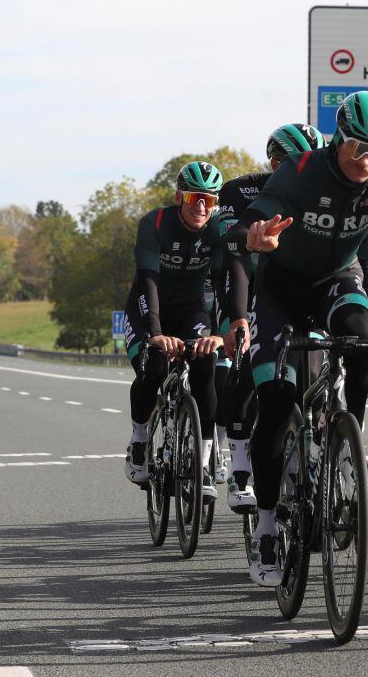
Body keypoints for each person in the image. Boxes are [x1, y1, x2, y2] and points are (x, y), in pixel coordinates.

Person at [222, 91, 368, 587]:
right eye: (359, 147)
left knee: (360, 344)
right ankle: (269, 526)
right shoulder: (298, 170)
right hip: (279, 290)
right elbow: (252, 220)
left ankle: (344, 444)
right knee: (276, 401)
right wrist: (256, 235)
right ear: (339, 138)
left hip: (339, 279)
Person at [215, 123, 325, 513]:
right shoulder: (239, 191)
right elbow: (235, 257)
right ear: (275, 162)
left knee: (316, 371)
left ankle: (324, 448)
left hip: (293, 286)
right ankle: (241, 457)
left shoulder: (322, 188)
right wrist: (237, 317)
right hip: (244, 280)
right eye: (294, 164)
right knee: (245, 358)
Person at [123, 161, 226, 502]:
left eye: (210, 200)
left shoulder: (216, 231)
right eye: (196, 197)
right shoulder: (154, 224)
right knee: (153, 366)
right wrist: (154, 333)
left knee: (206, 364)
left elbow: (226, 283)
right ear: (180, 196)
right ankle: (139, 440)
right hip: (149, 308)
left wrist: (218, 331)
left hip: (192, 309)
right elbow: (148, 281)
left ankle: (206, 459)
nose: (201, 207)